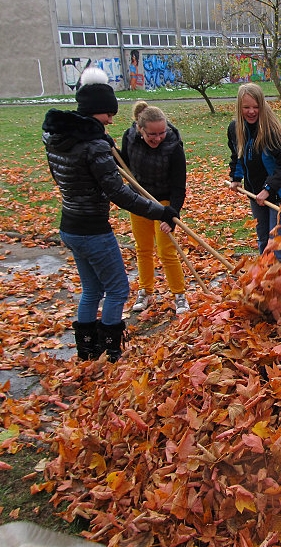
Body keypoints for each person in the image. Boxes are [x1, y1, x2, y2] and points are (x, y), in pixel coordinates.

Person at [43, 67, 178, 362]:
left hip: (69, 225)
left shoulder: (57, 139)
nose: (111, 121)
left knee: (92, 290)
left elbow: (67, 178)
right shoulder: (93, 146)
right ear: (95, 111)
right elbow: (119, 193)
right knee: (117, 289)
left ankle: (88, 350)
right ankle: (111, 350)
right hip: (93, 229)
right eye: (108, 115)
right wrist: (161, 212)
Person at [121, 101, 189, 315]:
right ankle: (146, 292)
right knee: (143, 249)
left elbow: (179, 186)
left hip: (164, 203)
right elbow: (123, 164)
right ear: (140, 129)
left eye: (162, 133)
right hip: (139, 201)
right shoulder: (129, 138)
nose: (158, 138)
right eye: (152, 134)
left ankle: (179, 295)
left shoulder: (173, 147)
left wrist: (172, 214)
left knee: (166, 250)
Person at [227, 83, 281, 262]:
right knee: (263, 239)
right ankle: (265, 275)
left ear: (262, 106)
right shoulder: (235, 129)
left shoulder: (271, 132)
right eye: (246, 107)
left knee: (276, 242)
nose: (251, 112)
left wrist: (268, 189)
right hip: (255, 192)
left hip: (278, 194)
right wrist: (236, 177)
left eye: (256, 107)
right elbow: (238, 155)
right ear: (239, 107)